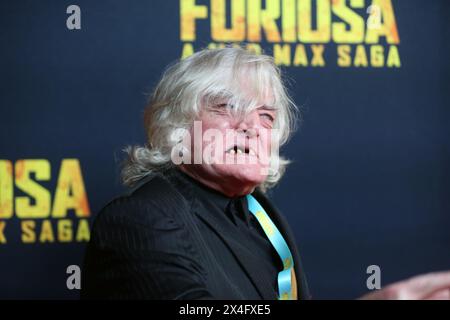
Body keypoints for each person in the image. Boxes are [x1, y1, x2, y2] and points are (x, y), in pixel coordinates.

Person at [81, 47, 450, 300]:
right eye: (227, 107)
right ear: (177, 126)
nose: (251, 126)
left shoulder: (261, 214)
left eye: (266, 116)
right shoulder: (139, 220)